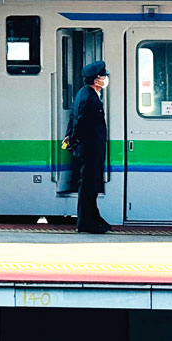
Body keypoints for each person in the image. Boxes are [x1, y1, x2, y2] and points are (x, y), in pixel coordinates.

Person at [71, 60, 111, 234]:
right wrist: (75, 140)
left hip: (89, 147)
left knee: (91, 185)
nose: (106, 78)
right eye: (103, 76)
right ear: (96, 80)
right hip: (90, 149)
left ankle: (93, 218)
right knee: (88, 185)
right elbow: (80, 122)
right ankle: (86, 223)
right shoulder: (89, 98)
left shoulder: (84, 93)